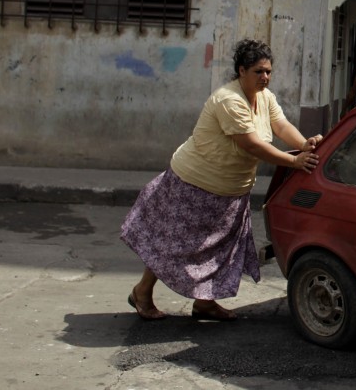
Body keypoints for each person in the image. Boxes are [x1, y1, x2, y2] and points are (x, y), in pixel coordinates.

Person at [121, 39, 323, 321]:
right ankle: (142, 292)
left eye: (267, 71)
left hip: (230, 190)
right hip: (193, 183)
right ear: (241, 71)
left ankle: (205, 303)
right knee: (173, 243)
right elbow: (250, 144)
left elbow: (281, 125)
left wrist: (303, 145)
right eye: (258, 71)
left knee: (218, 251)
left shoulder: (265, 98)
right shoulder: (228, 100)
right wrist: (293, 161)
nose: (264, 77)